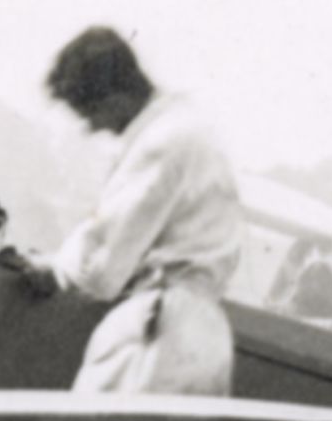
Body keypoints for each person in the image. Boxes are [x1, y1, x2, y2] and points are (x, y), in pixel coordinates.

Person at [16, 26, 244, 395]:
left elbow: (103, 265)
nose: (91, 128)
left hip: (160, 329)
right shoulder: (192, 129)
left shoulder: (160, 143)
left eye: (88, 112)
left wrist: (56, 269)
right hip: (207, 336)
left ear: (115, 97)